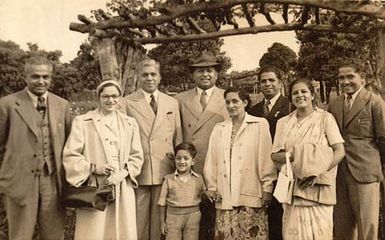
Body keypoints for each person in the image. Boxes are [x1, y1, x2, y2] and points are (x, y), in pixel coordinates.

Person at [0, 56, 71, 240]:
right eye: (35, 76)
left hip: (53, 181)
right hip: (20, 182)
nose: (41, 81)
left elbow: (71, 145)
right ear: (25, 77)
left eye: (45, 77)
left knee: (54, 235)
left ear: (51, 77)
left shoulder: (62, 105)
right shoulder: (7, 105)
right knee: (20, 235)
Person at [62, 80, 143, 239]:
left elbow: (137, 156)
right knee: (95, 230)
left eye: (114, 96)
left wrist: (124, 173)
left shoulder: (129, 123)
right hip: (95, 187)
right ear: (98, 97)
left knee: (121, 230)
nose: (110, 100)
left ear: (120, 97)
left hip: (122, 187)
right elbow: (71, 155)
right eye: (105, 96)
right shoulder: (83, 122)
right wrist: (95, 168)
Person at [271, 79, 345, 240]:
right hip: (293, 187)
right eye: (295, 93)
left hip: (319, 186)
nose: (300, 95)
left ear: (312, 94)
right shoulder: (283, 123)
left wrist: (318, 173)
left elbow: (339, 151)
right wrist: (295, 157)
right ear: (290, 97)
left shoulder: (325, 118)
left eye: (304, 91)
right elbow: (274, 155)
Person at [204, 86, 276, 239]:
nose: (231, 106)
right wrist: (212, 186)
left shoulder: (259, 124)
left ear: (244, 102)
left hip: (250, 194)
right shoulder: (219, 128)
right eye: (228, 102)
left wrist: (267, 187)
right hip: (225, 195)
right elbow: (212, 161)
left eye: (235, 101)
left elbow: (265, 159)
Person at [123, 58, 183, 240]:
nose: (149, 78)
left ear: (160, 77)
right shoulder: (126, 102)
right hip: (139, 170)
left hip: (165, 167)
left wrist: (178, 167)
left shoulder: (171, 102)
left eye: (153, 74)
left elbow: (177, 136)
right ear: (138, 78)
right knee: (139, 219)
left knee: (160, 218)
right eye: (145, 74)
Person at [328, 62, 385, 240]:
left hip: (365, 172)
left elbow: (383, 139)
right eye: (341, 78)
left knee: (366, 228)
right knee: (342, 227)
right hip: (339, 174)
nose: (345, 81)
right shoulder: (334, 104)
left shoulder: (374, 101)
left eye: (350, 76)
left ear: (362, 78)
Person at [176, 51, 229, 240]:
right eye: (200, 71)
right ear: (193, 74)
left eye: (209, 71)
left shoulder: (228, 98)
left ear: (217, 74)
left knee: (217, 218)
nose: (205, 75)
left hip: (219, 167)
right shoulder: (180, 99)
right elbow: (177, 133)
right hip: (190, 168)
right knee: (192, 220)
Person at [248, 66, 293, 240]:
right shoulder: (254, 110)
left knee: (282, 216)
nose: (267, 84)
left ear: (280, 83)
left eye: (271, 80)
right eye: (263, 81)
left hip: (284, 170)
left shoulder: (289, 106)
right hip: (261, 170)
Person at [158, 142, 206, 240]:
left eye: (186, 158)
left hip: (193, 217)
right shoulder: (168, 179)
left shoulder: (199, 179)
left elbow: (204, 194)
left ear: (193, 161)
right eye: (178, 158)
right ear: (174, 160)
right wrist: (162, 222)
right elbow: (162, 203)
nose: (182, 161)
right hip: (173, 217)